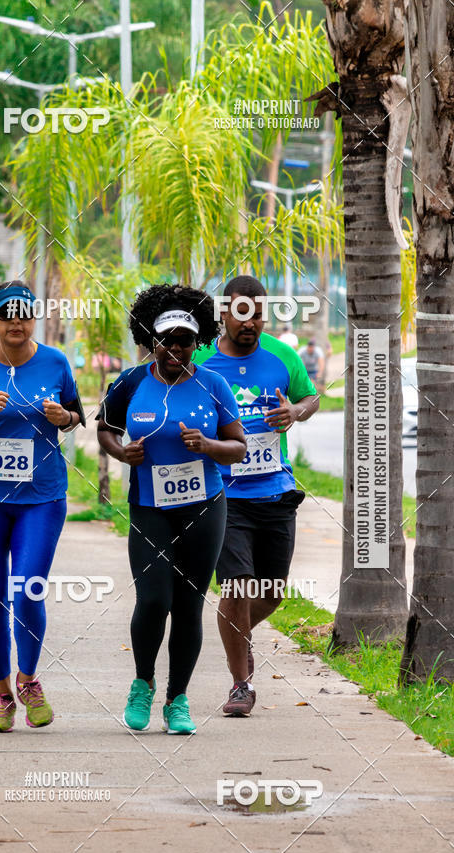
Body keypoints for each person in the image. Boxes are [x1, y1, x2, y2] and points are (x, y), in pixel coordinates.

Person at [97, 284, 246, 735]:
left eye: (185, 340)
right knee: (154, 598)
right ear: (152, 341)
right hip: (149, 507)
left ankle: (177, 699)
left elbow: (238, 447)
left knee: (189, 605)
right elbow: (105, 430)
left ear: (196, 341)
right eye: (167, 340)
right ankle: (142, 684)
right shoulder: (130, 382)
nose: (175, 348)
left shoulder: (213, 383)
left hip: (204, 506)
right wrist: (122, 453)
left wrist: (209, 445)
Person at [193, 275, 319, 717]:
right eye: (241, 314)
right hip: (223, 493)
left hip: (275, 490)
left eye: (258, 315)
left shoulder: (283, 356)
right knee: (238, 585)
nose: (250, 324)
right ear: (223, 314)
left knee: (271, 591)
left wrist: (295, 411)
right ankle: (240, 684)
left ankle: (237, 638)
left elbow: (310, 398)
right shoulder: (203, 361)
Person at [0, 281, 85, 733]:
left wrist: (64, 419)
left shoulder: (55, 361)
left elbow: (76, 413)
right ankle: (0, 696)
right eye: (6, 313)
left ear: (34, 317)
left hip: (42, 497)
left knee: (28, 587)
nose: (16, 321)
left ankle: (28, 680)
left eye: (24, 313)